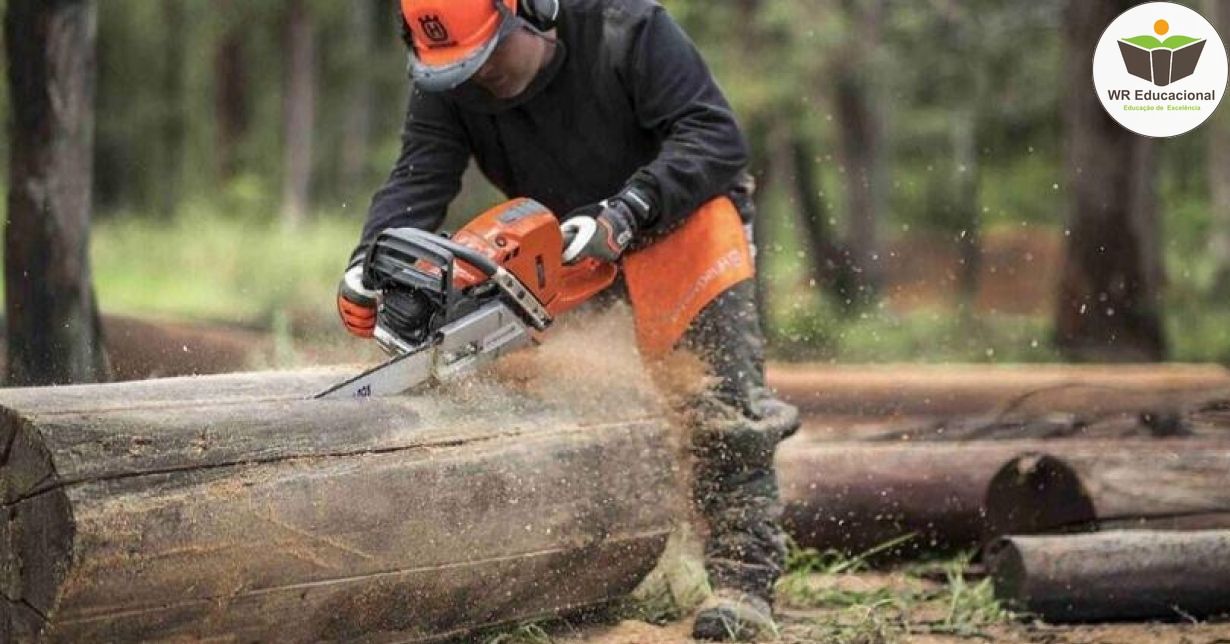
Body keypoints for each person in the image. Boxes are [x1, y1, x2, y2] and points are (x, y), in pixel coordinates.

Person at [336, 0, 799, 640]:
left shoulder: (627, 31)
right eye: (456, 70)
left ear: (534, 11)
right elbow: (420, 174)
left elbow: (715, 137)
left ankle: (744, 584)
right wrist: (373, 257)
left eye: (487, 57)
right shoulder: (451, 85)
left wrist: (628, 211)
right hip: (569, 245)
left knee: (718, 405)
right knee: (565, 398)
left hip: (682, 221)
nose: (476, 78)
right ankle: (615, 563)